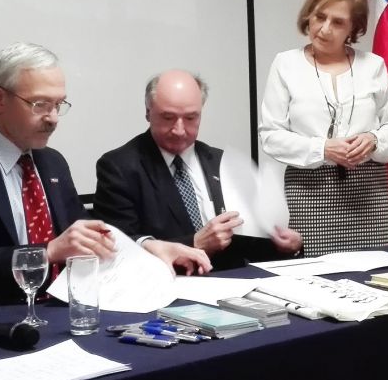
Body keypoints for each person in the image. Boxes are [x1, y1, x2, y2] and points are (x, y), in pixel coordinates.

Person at [0, 42, 210, 312]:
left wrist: (146, 247)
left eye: (58, 104)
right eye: (40, 104)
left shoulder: (52, 164)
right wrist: (45, 253)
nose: (52, 117)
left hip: (63, 315)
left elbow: (85, 238)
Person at [94, 69, 303, 270]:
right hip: (167, 289)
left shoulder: (222, 162)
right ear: (148, 112)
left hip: (232, 284)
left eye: (191, 118)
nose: (179, 129)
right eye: (168, 117)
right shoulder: (119, 167)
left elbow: (248, 245)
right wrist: (194, 243)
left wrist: (283, 246)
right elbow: (119, 248)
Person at [259, 0, 388, 257]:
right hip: (310, 191)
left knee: (372, 275)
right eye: (319, 17)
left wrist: (373, 139)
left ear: (354, 27)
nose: (324, 29)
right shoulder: (286, 64)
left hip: (368, 191)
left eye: (338, 22)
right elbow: (271, 136)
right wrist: (323, 148)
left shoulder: (373, 66)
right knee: (318, 282)